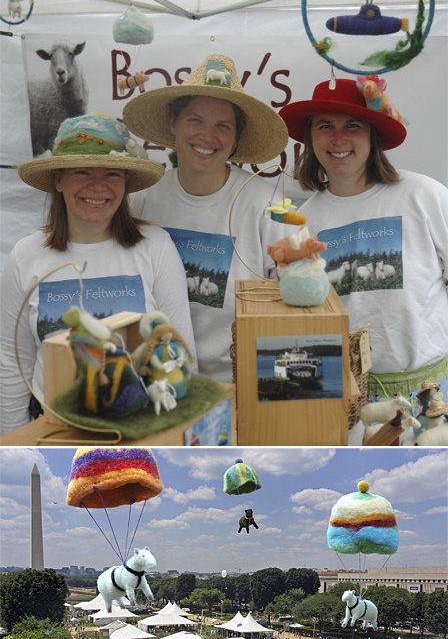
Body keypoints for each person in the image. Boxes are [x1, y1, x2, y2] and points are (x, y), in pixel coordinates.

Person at [0, 112, 195, 435]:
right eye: (82, 171)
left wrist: (170, 434)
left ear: (126, 183)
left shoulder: (156, 248)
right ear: (58, 180)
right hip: (53, 431)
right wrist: (13, 441)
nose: (98, 185)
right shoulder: (25, 255)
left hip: (140, 427)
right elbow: (10, 362)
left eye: (112, 174)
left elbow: (179, 352)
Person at [279, 79, 448, 408]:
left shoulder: (423, 195)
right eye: (325, 126)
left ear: (373, 135)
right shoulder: (306, 221)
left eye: (352, 126)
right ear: (311, 139)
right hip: (346, 398)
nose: (338, 139)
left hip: (432, 391)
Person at [124, 53, 290, 382]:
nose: (207, 135)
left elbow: (296, 296)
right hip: (156, 384)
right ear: (173, 123)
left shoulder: (265, 203)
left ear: (236, 136)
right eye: (195, 120)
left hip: (243, 386)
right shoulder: (141, 200)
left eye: (222, 125)